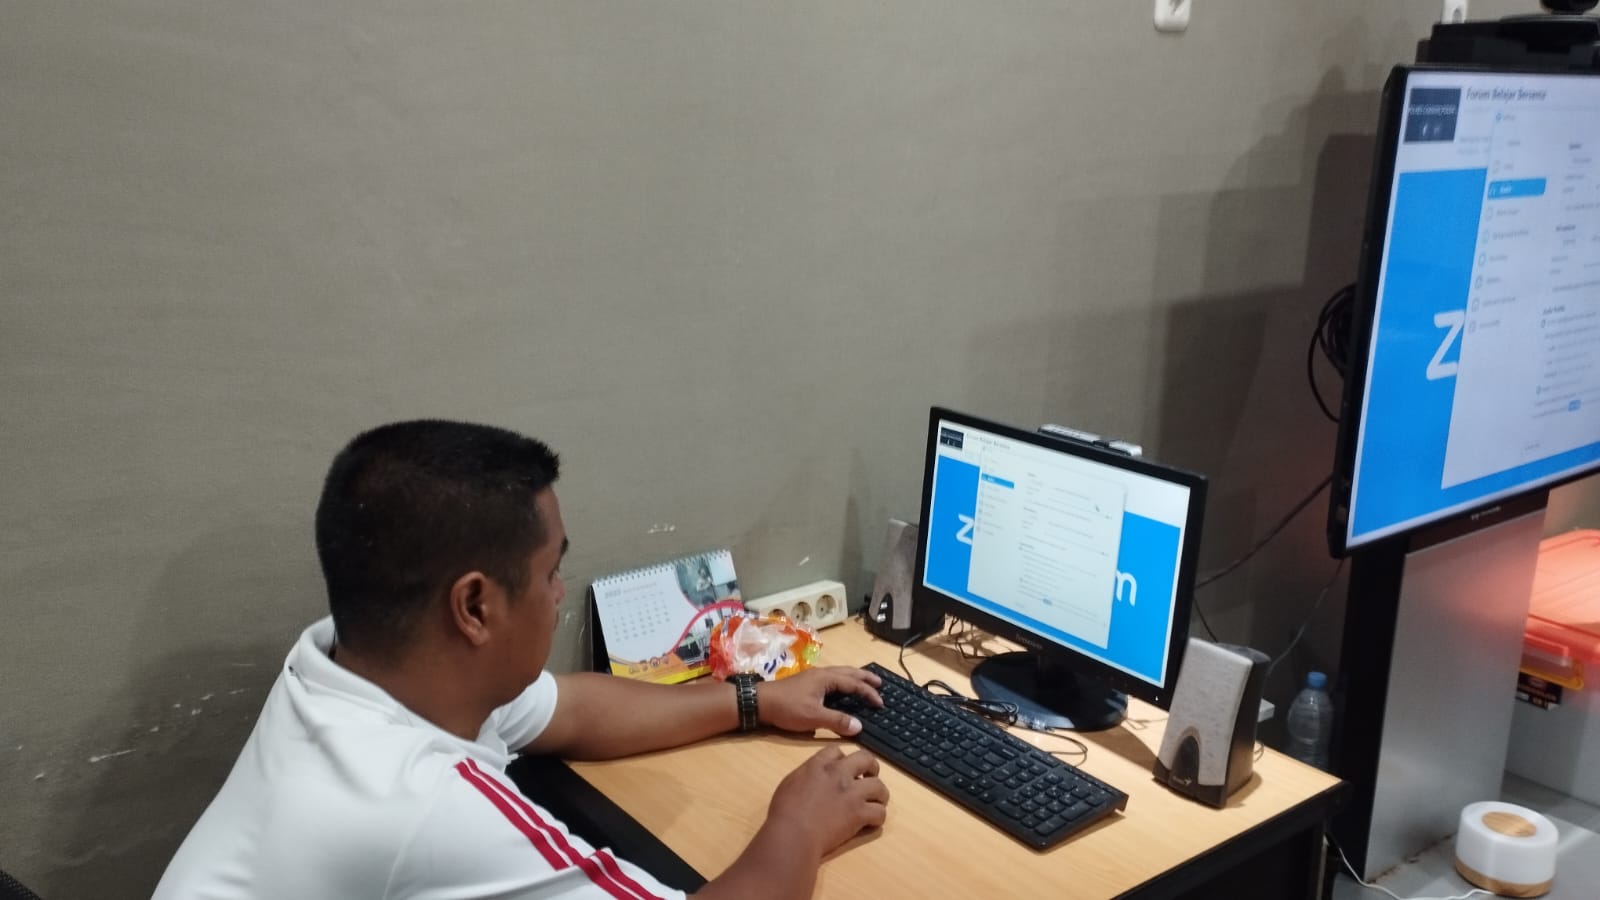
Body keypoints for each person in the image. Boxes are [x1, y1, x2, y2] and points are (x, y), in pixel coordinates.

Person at [153, 420, 889, 900]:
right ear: (475, 607)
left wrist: (753, 699)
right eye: (549, 573)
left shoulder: (350, 664)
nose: (560, 592)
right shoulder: (423, 806)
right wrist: (799, 825)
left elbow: (571, 708)